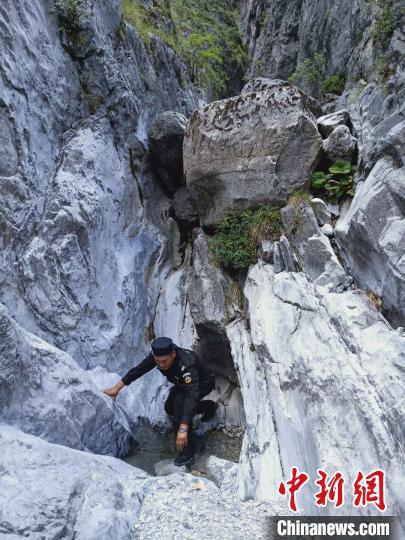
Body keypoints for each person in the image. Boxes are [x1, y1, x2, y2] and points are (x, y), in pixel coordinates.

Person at [102, 337, 218, 466]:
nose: (161, 365)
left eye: (164, 361)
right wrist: (116, 388)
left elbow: (192, 395)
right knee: (169, 408)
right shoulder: (158, 357)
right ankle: (209, 407)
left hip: (201, 383)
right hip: (182, 384)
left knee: (180, 412)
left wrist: (183, 428)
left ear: (173, 354)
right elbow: (138, 370)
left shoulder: (186, 363)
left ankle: (187, 453)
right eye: (158, 361)